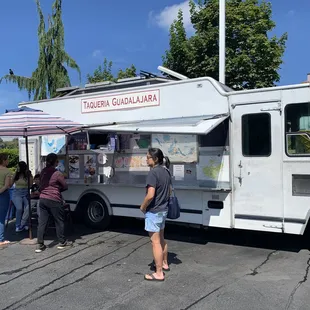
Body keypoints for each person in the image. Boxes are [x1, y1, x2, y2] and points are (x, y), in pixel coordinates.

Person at [140, 148, 171, 282]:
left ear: (156, 159)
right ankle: (164, 263)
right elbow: (169, 190)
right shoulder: (166, 171)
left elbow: (150, 195)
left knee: (155, 242)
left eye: (148, 157)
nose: (146, 160)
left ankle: (158, 273)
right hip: (164, 209)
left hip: (154, 211)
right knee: (162, 238)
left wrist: (143, 206)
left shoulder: (153, 173)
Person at [35, 153, 72, 253]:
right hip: (54, 199)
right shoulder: (57, 174)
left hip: (42, 199)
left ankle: (40, 244)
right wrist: (57, 189)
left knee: (42, 222)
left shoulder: (43, 172)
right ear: (55, 162)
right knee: (59, 221)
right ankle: (62, 242)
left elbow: (41, 184)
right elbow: (65, 186)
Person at [11, 161, 33, 232]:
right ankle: (18, 225)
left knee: (27, 208)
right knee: (19, 208)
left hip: (26, 192)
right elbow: (11, 184)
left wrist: (29, 176)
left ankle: (25, 224)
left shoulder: (28, 174)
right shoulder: (16, 174)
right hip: (17, 193)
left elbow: (31, 184)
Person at [0, 153, 13, 245]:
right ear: (3, 161)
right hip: (3, 195)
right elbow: (7, 185)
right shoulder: (7, 171)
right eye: (7, 159)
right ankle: (1, 239)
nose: (8, 161)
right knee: (1, 218)